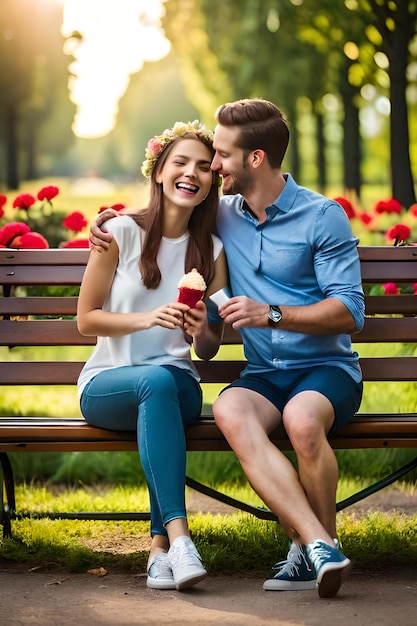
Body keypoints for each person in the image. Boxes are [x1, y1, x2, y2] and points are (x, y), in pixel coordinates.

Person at [89, 98, 365, 599]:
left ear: (254, 159)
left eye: (219, 155)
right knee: (230, 410)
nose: (212, 166)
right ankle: (319, 544)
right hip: (263, 376)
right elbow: (169, 207)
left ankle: (312, 548)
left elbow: (352, 311)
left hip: (325, 369)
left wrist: (272, 312)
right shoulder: (223, 215)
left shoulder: (323, 217)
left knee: (302, 421)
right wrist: (111, 219)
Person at [77, 120, 228, 592]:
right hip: (108, 382)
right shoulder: (119, 232)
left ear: (210, 184)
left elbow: (206, 351)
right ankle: (174, 541)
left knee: (162, 383)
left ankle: (163, 551)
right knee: (152, 384)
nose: (192, 173)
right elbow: (86, 319)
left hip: (178, 385)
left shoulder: (212, 250)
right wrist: (147, 318)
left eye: (204, 167)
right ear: (159, 171)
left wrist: (204, 329)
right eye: (180, 162)